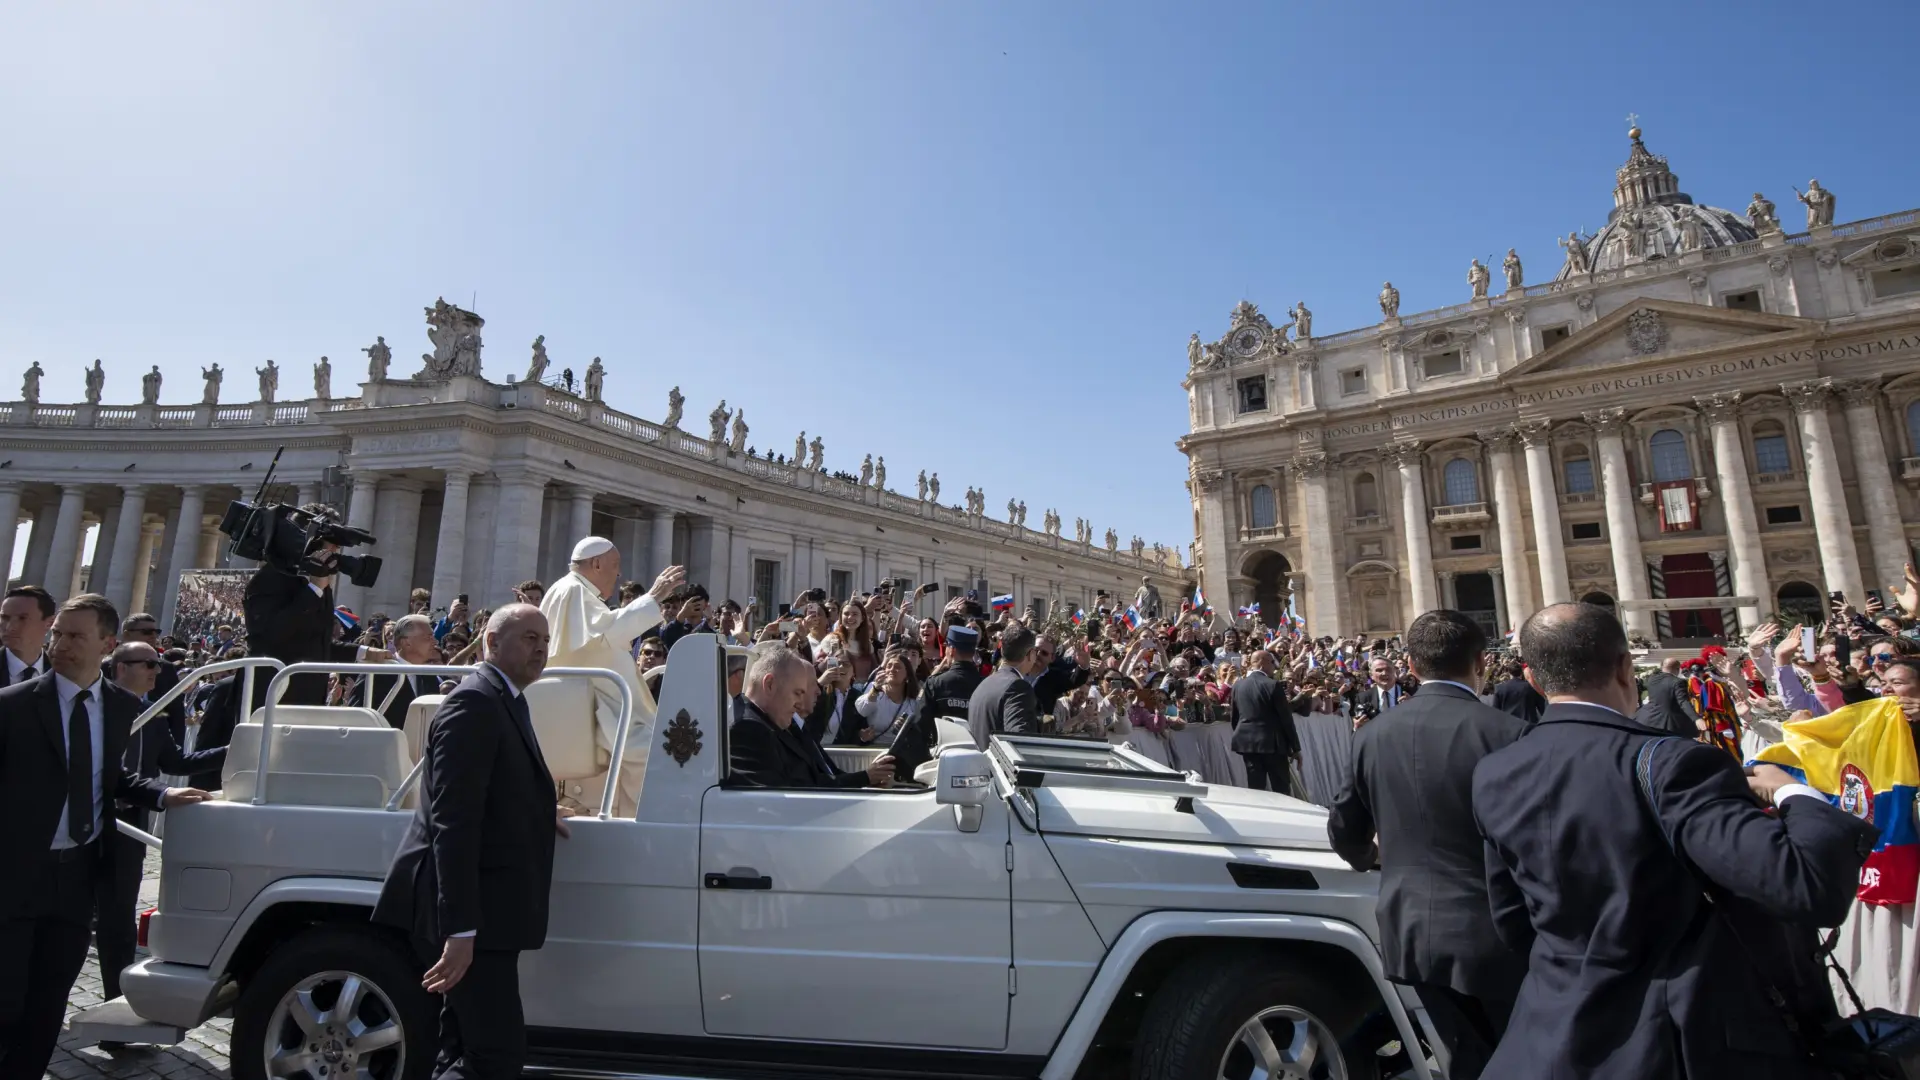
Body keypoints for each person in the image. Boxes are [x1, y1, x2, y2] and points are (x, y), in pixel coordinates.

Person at [1473, 603, 1878, 1079]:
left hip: (1551, 1031)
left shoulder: (1493, 772)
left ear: (1535, 681)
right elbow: (1805, 885)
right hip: (1679, 1038)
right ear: (1627, 668)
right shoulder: (1674, 764)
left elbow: (1511, 920)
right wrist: (1794, 791)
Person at [0, 594, 208, 1080]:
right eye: (58, 635)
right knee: (6, 997)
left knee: (50, 998)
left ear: (107, 644)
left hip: (77, 877)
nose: (61, 645)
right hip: (14, 874)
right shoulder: (11, 707)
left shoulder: (121, 707)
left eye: (75, 636)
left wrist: (162, 796)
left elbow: (106, 776)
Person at [372, 604, 569, 1080]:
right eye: (527, 638)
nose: (540, 648)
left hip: (486, 912)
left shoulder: (504, 698)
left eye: (544, 639)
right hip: (470, 917)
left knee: (461, 1045)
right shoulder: (475, 702)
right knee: (495, 1055)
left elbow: (493, 788)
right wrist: (460, 932)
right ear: (491, 643)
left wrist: (541, 811)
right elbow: (453, 821)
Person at [1326, 611, 1526, 1079]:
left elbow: (1343, 828)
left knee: (1461, 1055)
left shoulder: (1370, 735)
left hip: (1410, 929)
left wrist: (1373, 857)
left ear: (1411, 666)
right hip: (1498, 932)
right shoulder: (1508, 734)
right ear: (1482, 662)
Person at [96, 641, 226, 1007]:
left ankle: (115, 1006)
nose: (157, 671)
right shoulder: (94, 707)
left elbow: (176, 762)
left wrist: (236, 747)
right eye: (148, 664)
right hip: (89, 822)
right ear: (121, 667)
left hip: (130, 822)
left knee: (119, 919)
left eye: (157, 664)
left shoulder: (152, 713)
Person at [539, 535, 684, 817]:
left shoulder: (577, 593)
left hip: (597, 701)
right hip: (595, 706)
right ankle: (641, 825)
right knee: (652, 754)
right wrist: (653, 597)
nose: (619, 574)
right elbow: (612, 632)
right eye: (615, 565)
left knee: (660, 744)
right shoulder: (572, 591)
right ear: (595, 564)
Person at [241, 504, 392, 705]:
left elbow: (315, 643)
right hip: (270, 697)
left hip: (309, 696)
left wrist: (363, 652)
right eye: (331, 543)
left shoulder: (318, 583)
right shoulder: (269, 579)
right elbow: (273, 636)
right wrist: (314, 589)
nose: (336, 551)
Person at [726, 643, 896, 788]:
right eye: (797, 693)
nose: (800, 703)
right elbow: (778, 803)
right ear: (770, 685)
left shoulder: (772, 722)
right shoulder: (749, 729)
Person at [1230, 650, 1301, 793]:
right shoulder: (1273, 685)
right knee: (1280, 787)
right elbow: (1286, 719)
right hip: (1272, 744)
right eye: (1272, 663)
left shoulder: (1238, 686)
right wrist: (1296, 747)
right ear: (1262, 663)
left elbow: (1235, 718)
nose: (1274, 667)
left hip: (1247, 744)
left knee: (1256, 787)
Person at [967, 624, 1045, 748]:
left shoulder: (984, 683)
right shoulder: (1018, 688)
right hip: (999, 766)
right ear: (1030, 654)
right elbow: (1021, 743)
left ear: (1002, 650)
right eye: (1036, 651)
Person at [360, 613, 445, 728]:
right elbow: (357, 717)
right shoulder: (377, 673)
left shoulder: (429, 677)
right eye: (428, 637)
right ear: (406, 643)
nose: (435, 642)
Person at [1635, 656, 1703, 739]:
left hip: (1648, 719)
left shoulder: (1651, 679)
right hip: (1669, 723)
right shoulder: (1678, 682)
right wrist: (1696, 719)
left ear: (1662, 667)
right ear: (1678, 669)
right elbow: (1683, 702)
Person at [0, 585, 54, 687]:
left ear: (49, 623)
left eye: (22, 618)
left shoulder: (63, 676)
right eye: (4, 617)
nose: (10, 627)